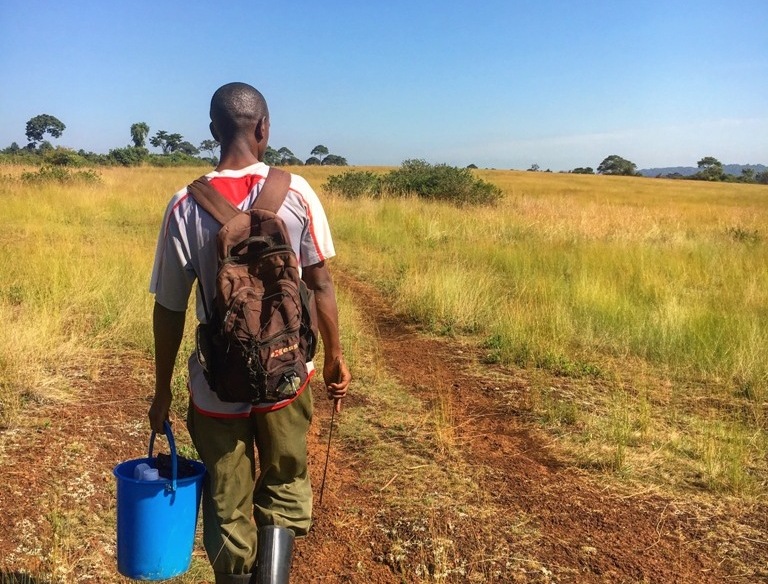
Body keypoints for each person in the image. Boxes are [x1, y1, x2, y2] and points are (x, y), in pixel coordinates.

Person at [148, 82, 351, 584]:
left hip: (218, 385)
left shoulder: (183, 205)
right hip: (287, 374)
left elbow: (170, 309)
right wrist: (332, 359)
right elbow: (320, 285)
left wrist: (161, 392)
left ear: (214, 130)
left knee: (226, 494)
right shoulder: (298, 192)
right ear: (264, 129)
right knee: (283, 484)